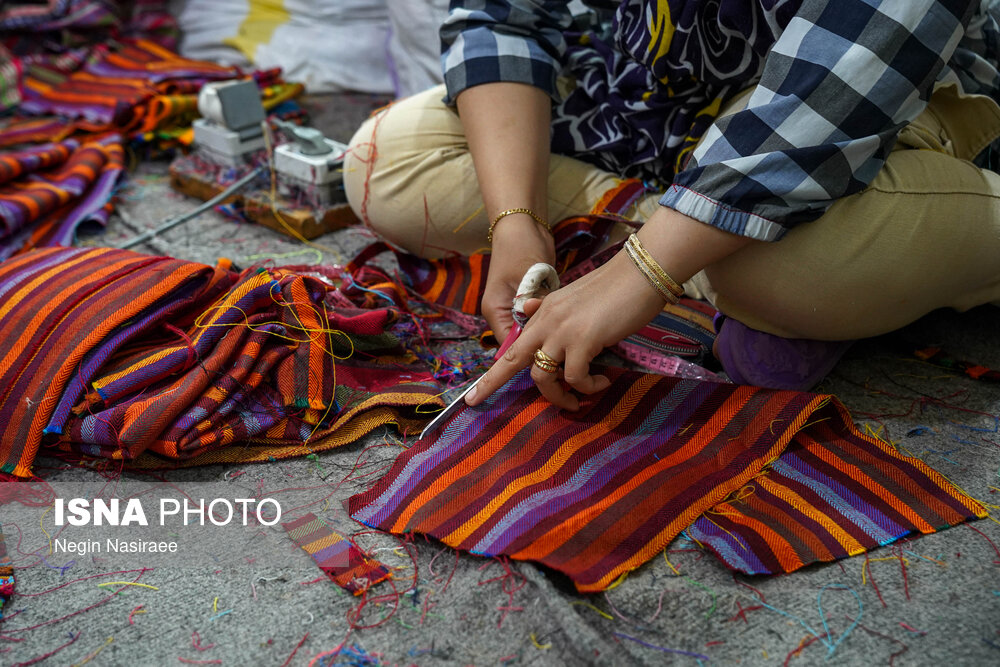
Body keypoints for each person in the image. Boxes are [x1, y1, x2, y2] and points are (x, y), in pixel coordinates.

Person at [343, 0, 1000, 411]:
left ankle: (725, 260)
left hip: (864, 109)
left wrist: (642, 274)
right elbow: (505, 17)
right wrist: (515, 221)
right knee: (386, 161)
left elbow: (825, 102)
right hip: (661, 106)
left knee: (779, 268)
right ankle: (709, 251)